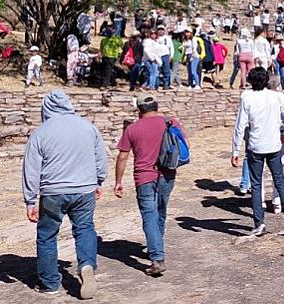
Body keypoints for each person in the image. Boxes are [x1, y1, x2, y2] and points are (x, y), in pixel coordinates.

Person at [22, 90, 107, 298]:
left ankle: (50, 283)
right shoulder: (88, 127)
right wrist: (98, 181)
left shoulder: (40, 133)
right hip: (85, 190)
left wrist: (30, 200)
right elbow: (100, 159)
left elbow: (31, 169)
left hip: (53, 192)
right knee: (85, 228)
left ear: (46, 108)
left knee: (47, 236)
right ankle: (87, 265)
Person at [114, 95, 187, 276]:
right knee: (160, 211)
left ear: (138, 110)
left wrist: (118, 181)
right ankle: (156, 247)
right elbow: (184, 145)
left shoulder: (132, 128)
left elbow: (122, 157)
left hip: (144, 177)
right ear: (157, 107)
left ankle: (157, 257)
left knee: (149, 215)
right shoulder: (170, 122)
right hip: (167, 174)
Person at [231, 67, 284, 236]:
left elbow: (240, 125)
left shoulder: (246, 97)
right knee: (279, 181)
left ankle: (259, 223)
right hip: (273, 144)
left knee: (256, 184)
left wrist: (235, 150)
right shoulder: (276, 97)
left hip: (255, 145)